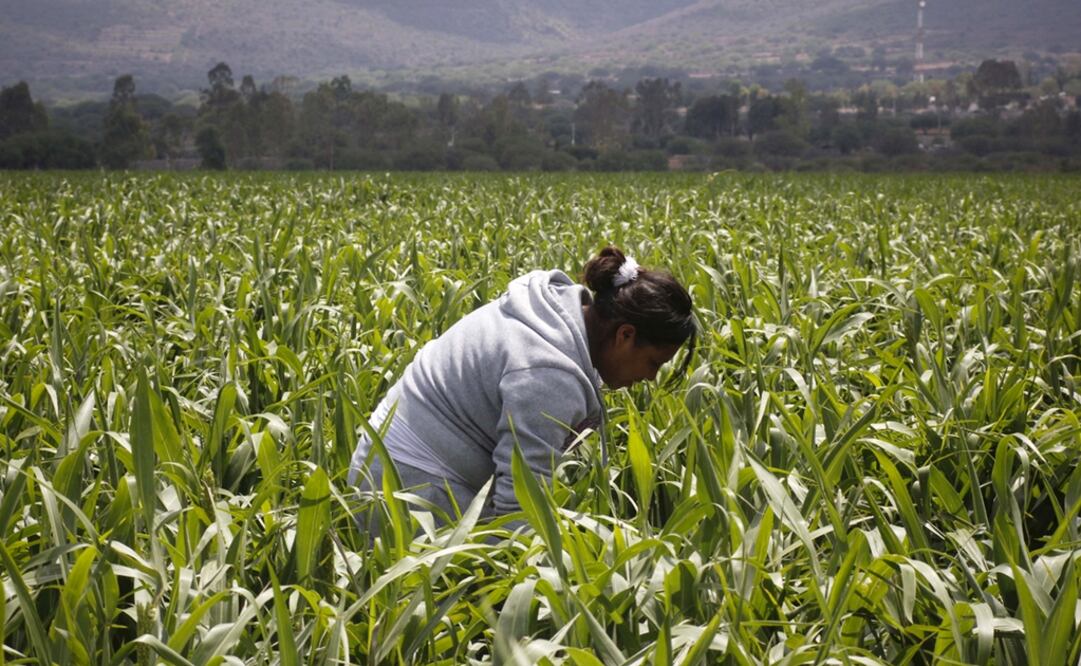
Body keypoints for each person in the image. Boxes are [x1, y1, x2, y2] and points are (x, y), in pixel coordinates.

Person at [348, 246, 697, 535]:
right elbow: (519, 507)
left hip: (388, 463)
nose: (651, 378)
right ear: (625, 336)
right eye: (653, 363)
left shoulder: (555, 311)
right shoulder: (548, 374)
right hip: (406, 488)